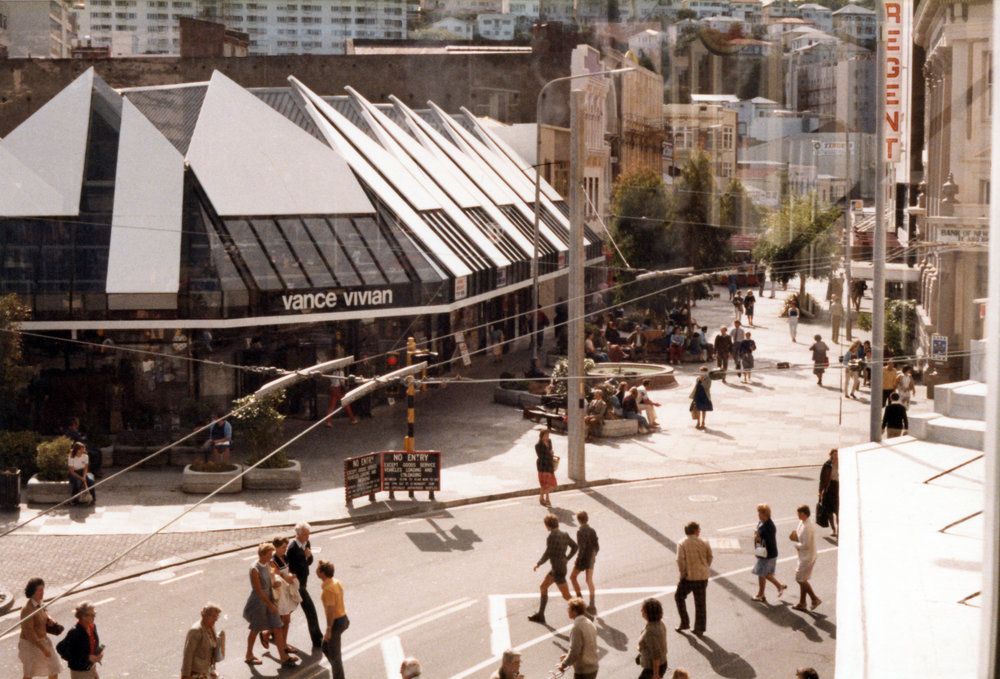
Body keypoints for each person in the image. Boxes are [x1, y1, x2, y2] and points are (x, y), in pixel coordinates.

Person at [243, 543, 294, 667]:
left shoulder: (267, 564)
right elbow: (258, 590)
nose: (271, 557)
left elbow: (271, 578)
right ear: (262, 554)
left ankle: (283, 657)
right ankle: (248, 655)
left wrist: (275, 583)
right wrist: (270, 605)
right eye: (269, 554)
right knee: (255, 629)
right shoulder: (254, 568)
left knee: (277, 626)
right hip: (259, 602)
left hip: (269, 599)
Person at [528, 514, 578, 624]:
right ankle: (541, 615)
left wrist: (539, 563)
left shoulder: (551, 537)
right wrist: (567, 558)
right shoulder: (564, 534)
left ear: (548, 526)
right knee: (543, 587)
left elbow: (548, 553)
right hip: (560, 567)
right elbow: (575, 547)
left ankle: (585, 613)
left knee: (567, 596)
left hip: (557, 569)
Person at [287, 522, 323, 648]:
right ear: (299, 534)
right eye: (306, 534)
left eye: (309, 534)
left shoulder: (306, 543)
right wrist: (305, 558)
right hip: (297, 584)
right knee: (310, 610)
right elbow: (293, 568)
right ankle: (317, 639)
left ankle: (270, 632)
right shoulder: (291, 549)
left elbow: (309, 562)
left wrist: (309, 557)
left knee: (289, 608)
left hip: (304, 581)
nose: (308, 537)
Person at [675, 521, 712, 636]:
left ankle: (685, 622)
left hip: (689, 577)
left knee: (679, 597)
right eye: (699, 529)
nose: (700, 531)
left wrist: (683, 574)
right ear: (695, 531)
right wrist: (705, 567)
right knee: (700, 603)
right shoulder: (704, 542)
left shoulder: (682, 543)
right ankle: (699, 628)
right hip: (702, 576)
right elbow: (710, 557)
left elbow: (680, 560)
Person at [19, 578, 61, 679]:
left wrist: (49, 618)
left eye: (43, 590)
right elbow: (29, 632)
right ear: (32, 592)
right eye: (40, 590)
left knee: (54, 667)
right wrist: (43, 648)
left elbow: (44, 611)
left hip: (43, 640)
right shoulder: (27, 610)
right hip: (31, 644)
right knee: (29, 673)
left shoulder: (39, 602)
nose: (42, 593)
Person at [270, 536, 302, 658]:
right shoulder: (273, 561)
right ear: (276, 547)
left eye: (286, 547)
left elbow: (288, 573)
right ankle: (283, 646)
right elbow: (282, 577)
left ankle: (277, 639)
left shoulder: (284, 557)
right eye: (283, 547)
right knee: (286, 619)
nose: (285, 549)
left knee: (286, 619)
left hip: (287, 590)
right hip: (280, 593)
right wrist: (293, 577)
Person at [317, 560, 349, 679]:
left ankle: (339, 675)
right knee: (325, 647)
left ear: (322, 573)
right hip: (343, 619)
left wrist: (329, 629)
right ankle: (338, 669)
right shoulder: (335, 582)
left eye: (318, 569)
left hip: (336, 622)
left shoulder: (328, 589)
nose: (316, 570)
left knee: (335, 657)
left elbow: (331, 610)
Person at [752, 503, 786, 602]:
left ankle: (763, 593)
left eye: (760, 513)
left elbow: (769, 541)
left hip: (768, 554)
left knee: (763, 573)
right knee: (762, 573)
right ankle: (764, 593)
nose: (758, 515)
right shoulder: (762, 522)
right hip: (762, 552)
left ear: (765, 514)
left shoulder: (770, 526)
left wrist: (759, 538)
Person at [58, 602, 102, 679]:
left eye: (94, 614)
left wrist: (97, 653)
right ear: (83, 616)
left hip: (91, 667)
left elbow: (92, 644)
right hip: (80, 671)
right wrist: (86, 657)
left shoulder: (92, 626)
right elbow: (61, 648)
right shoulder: (75, 632)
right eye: (91, 615)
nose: (94, 617)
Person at [789, 505, 821, 611]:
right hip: (803, 556)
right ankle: (802, 603)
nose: (798, 515)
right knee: (803, 579)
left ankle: (814, 598)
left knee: (799, 578)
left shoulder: (808, 527)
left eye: (800, 513)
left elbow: (806, 545)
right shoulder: (802, 522)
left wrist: (795, 544)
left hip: (808, 557)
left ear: (805, 514)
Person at [557, 598, 599, 679]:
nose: (567, 610)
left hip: (583, 671)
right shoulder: (589, 623)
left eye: (569, 608)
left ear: (575, 611)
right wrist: (567, 656)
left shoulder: (577, 627)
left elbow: (575, 651)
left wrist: (563, 665)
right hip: (593, 667)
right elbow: (586, 646)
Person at [181, 603, 224, 679]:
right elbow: (188, 654)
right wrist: (186, 675)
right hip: (195, 673)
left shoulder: (211, 627)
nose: (216, 620)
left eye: (217, 617)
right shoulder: (196, 631)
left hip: (206, 671)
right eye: (213, 617)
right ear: (205, 616)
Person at [570, 511, 600, 615]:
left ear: (579, 520)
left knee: (572, 577)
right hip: (590, 558)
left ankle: (580, 601)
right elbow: (597, 546)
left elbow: (581, 548)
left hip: (583, 559)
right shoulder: (592, 530)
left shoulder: (580, 532)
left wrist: (578, 559)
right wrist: (594, 555)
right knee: (589, 580)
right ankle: (592, 605)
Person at [637, 598, 668, 678]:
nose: (641, 610)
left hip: (653, 668)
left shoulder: (650, 632)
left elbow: (656, 654)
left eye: (643, 609)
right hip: (662, 663)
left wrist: (655, 674)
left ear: (648, 613)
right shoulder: (659, 623)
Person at [818, 449, 839, 537]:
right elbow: (822, 479)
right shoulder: (827, 465)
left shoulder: (843, 464)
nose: (836, 456)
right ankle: (833, 529)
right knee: (829, 511)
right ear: (831, 455)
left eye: (837, 454)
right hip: (829, 488)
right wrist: (820, 492)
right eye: (834, 454)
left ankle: (839, 529)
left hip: (839, 487)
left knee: (838, 511)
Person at [67, 441, 95, 506]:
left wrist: (84, 476)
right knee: (78, 482)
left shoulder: (85, 456)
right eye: (81, 449)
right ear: (77, 450)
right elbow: (72, 471)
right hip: (74, 473)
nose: (83, 451)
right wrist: (81, 478)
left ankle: (93, 499)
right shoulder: (71, 457)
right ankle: (74, 500)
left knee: (91, 482)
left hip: (83, 472)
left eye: (83, 449)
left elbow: (86, 468)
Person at [535, 430, 557, 507]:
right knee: (544, 484)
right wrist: (550, 453)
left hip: (549, 465)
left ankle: (545, 498)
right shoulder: (538, 445)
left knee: (548, 483)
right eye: (546, 435)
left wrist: (551, 453)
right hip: (542, 466)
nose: (547, 437)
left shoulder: (549, 441)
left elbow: (550, 450)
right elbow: (541, 456)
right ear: (541, 436)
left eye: (548, 435)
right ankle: (544, 498)